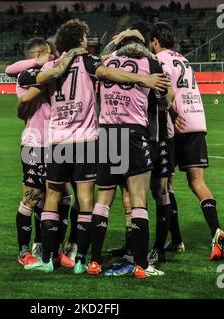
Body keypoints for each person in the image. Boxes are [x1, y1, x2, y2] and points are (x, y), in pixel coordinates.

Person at [18, 19, 170, 273]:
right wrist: (143, 79)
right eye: (85, 38)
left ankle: (46, 260)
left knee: (52, 198)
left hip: (56, 139)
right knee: (86, 200)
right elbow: (108, 71)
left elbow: (25, 84)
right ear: (80, 40)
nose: (88, 42)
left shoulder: (52, 65)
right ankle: (81, 260)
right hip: (85, 139)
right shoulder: (88, 62)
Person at [87, 22, 173, 278]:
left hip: (107, 132)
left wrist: (117, 40)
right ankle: (140, 265)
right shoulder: (151, 65)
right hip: (134, 133)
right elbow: (166, 100)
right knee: (138, 200)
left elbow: (99, 59)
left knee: (103, 201)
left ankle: (94, 261)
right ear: (144, 45)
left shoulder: (107, 62)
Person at [149, 22, 224, 260]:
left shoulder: (159, 60)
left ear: (155, 41)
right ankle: (216, 230)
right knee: (197, 182)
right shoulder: (184, 59)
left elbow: (161, 91)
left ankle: (177, 240)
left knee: (166, 185)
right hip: (197, 121)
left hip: (175, 123)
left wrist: (171, 111)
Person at [6, 37, 80, 268]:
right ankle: (24, 250)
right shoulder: (25, 76)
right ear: (38, 54)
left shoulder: (53, 72)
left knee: (62, 196)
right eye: (48, 53)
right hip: (35, 144)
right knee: (32, 197)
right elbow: (11, 69)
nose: (53, 56)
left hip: (58, 142)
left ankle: (52, 247)